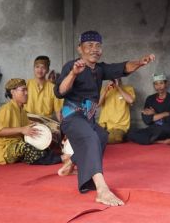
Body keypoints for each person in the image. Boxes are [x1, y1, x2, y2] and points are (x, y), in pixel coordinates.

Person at [54, 30, 155, 206]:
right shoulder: (71, 65)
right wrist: (73, 74)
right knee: (91, 138)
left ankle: (71, 163)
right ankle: (102, 190)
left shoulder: (100, 69)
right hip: (72, 116)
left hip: (89, 117)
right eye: (89, 45)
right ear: (80, 48)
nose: (95, 49)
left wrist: (140, 63)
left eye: (98, 45)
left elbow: (122, 67)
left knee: (101, 136)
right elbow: (60, 92)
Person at [0, 78, 65, 165]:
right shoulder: (6, 109)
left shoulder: (22, 111)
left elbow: (25, 128)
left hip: (16, 144)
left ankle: (54, 157)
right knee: (26, 147)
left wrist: (35, 127)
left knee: (42, 145)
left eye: (27, 90)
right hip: (3, 150)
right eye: (23, 90)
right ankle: (59, 159)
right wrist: (21, 129)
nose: (27, 93)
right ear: (12, 92)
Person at [127, 73, 170, 145]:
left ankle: (151, 140)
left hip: (167, 129)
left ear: (166, 84)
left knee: (159, 130)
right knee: (131, 133)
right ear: (154, 85)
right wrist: (166, 113)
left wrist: (154, 114)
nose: (159, 87)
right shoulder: (150, 99)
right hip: (153, 128)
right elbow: (147, 120)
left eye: (161, 83)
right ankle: (161, 141)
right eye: (156, 84)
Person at [24, 56, 63, 121]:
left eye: (43, 68)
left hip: (45, 123)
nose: (39, 70)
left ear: (47, 70)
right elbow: (17, 107)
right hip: (27, 122)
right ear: (34, 68)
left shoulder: (53, 88)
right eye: (37, 67)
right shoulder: (25, 85)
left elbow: (58, 111)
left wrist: (63, 127)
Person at [98, 78, 135, 143]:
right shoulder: (105, 89)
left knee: (107, 138)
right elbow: (97, 104)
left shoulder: (128, 89)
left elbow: (130, 100)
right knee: (90, 136)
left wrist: (118, 87)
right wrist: (106, 90)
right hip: (103, 126)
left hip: (119, 127)